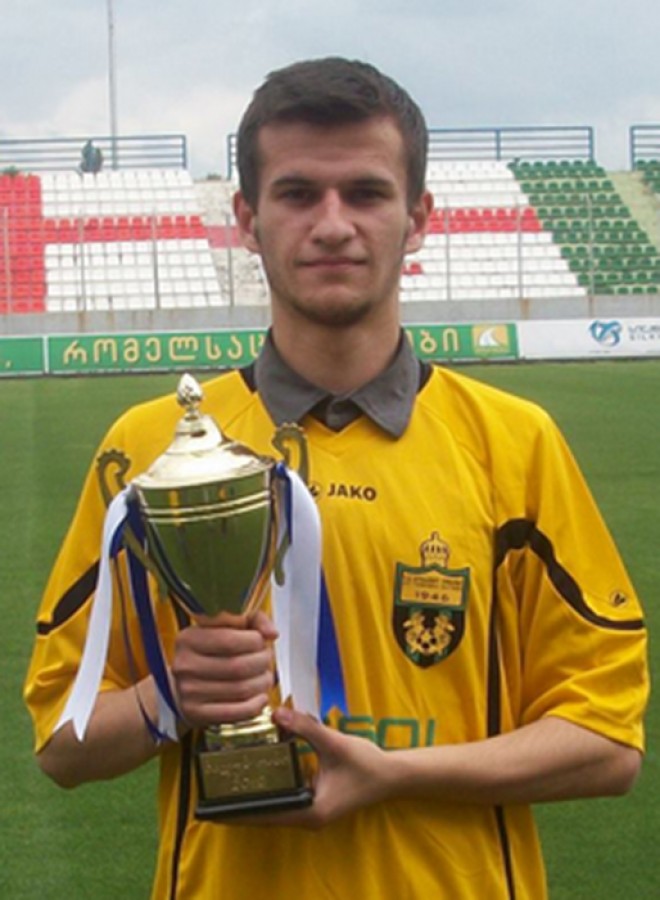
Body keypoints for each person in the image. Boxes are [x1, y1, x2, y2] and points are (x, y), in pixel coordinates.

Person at [25, 57, 648, 899]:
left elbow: (607, 742)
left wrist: (394, 773)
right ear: (247, 219)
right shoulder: (152, 452)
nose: (332, 224)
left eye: (365, 193)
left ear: (417, 219)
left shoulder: (515, 445)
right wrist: (167, 695)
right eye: (296, 194)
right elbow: (61, 746)